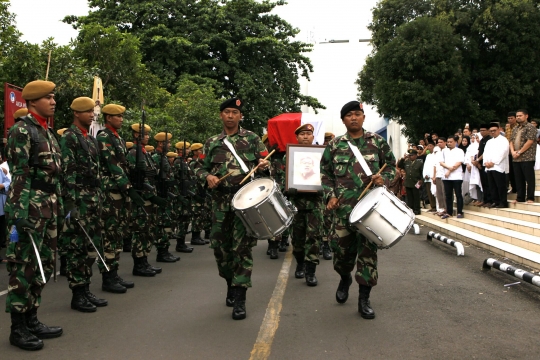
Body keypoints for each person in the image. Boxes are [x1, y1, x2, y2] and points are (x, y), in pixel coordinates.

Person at [194, 97, 270, 321]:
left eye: (234, 113)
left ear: (240, 116)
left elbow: (267, 163)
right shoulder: (212, 143)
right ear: (221, 115)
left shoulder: (253, 139)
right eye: (226, 112)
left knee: (242, 250)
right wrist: (207, 176)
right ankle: (229, 281)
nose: (230, 116)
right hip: (220, 204)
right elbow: (197, 166)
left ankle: (240, 297)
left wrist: (266, 165)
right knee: (221, 250)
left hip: (245, 205)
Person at [320, 101, 396, 319]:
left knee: (368, 255)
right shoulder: (334, 146)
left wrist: (385, 179)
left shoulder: (377, 143)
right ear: (343, 120)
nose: (354, 118)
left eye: (357, 114)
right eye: (349, 115)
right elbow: (325, 174)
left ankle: (364, 299)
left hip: (370, 212)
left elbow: (392, 167)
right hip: (343, 212)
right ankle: (344, 277)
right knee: (342, 254)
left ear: (363, 117)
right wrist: (331, 195)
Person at [4, 80, 63, 350]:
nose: (53, 101)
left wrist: (61, 207)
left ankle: (32, 318)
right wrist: (18, 213)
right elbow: (20, 176)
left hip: (48, 207)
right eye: (48, 97)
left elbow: (54, 174)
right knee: (23, 266)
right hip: (30, 209)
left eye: (53, 97)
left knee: (44, 266)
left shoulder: (47, 132)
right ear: (32, 102)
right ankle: (18, 328)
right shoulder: (22, 131)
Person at [59, 97, 108, 313]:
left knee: (90, 246)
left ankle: (86, 287)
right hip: (78, 200)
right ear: (76, 114)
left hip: (92, 199)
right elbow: (67, 173)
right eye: (87, 111)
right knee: (76, 247)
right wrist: (71, 204)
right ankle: (77, 293)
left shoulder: (89, 139)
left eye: (92, 112)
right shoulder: (70, 138)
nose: (91, 115)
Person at [97, 104, 141, 293]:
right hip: (111, 191)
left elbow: (124, 165)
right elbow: (113, 165)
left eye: (122, 116)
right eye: (118, 116)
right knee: (109, 234)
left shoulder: (118, 138)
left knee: (117, 233)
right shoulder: (104, 136)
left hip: (120, 191)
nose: (121, 119)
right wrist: (128, 188)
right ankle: (107, 277)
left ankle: (114, 273)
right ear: (108, 118)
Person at [127, 124, 168, 276]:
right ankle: (138, 264)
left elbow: (151, 174)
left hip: (149, 197)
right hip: (141, 198)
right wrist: (150, 196)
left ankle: (144, 260)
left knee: (148, 231)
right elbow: (136, 177)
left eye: (147, 134)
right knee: (140, 230)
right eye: (144, 134)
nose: (147, 136)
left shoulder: (145, 154)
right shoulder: (133, 153)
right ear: (136, 135)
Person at [286, 124, 323, 286]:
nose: (306, 136)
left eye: (309, 134)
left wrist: (324, 188)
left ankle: (310, 271)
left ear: (313, 137)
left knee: (313, 238)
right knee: (298, 239)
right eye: (302, 134)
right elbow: (281, 179)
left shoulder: (322, 155)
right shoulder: (288, 157)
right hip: (296, 205)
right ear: (297, 137)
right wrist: (287, 189)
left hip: (315, 204)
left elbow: (329, 176)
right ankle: (300, 262)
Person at [151, 132, 180, 263]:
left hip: (166, 193)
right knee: (161, 223)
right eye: (167, 143)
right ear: (161, 143)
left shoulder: (162, 157)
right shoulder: (156, 157)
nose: (169, 145)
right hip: (161, 193)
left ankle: (165, 250)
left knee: (167, 222)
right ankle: (161, 252)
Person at [509, 109, 537, 204]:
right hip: (516, 158)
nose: (518, 117)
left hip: (527, 157)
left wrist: (519, 152)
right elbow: (511, 141)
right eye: (517, 116)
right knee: (518, 178)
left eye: (520, 115)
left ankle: (530, 198)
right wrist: (513, 152)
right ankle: (520, 197)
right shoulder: (515, 128)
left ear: (526, 116)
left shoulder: (530, 127)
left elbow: (530, 141)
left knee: (529, 178)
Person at [483, 122, 510, 208]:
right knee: (492, 186)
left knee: (500, 185)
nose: (493, 132)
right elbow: (485, 153)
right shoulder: (489, 142)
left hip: (499, 166)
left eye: (494, 130)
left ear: (499, 129)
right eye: (491, 131)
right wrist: (486, 163)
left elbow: (503, 153)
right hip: (489, 167)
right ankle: (496, 201)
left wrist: (493, 162)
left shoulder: (503, 140)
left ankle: (503, 202)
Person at [190, 142, 212, 243]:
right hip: (195, 191)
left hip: (201, 190)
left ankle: (199, 235)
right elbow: (194, 178)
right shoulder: (193, 163)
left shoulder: (200, 162)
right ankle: (195, 237)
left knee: (203, 214)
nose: (201, 152)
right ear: (194, 152)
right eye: (199, 150)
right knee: (197, 215)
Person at [440, 135, 465, 219]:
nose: (449, 143)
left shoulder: (459, 151)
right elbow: (441, 162)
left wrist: (450, 170)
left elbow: (459, 163)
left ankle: (460, 212)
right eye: (448, 142)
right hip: (446, 177)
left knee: (458, 194)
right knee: (448, 195)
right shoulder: (444, 151)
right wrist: (448, 168)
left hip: (457, 176)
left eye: (451, 142)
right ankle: (449, 212)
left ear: (455, 142)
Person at [403, 149, 423, 215]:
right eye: (410, 155)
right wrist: (403, 158)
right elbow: (400, 165)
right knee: (409, 197)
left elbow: (422, 172)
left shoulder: (419, 163)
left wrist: (421, 180)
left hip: (416, 182)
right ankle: (411, 209)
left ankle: (417, 210)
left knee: (416, 197)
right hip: (408, 182)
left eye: (412, 155)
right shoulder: (407, 162)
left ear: (415, 155)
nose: (410, 156)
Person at [433, 137, 448, 216]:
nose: (439, 144)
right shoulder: (438, 152)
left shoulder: (447, 151)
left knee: (445, 192)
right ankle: (441, 208)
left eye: (441, 142)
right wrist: (434, 176)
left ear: (445, 142)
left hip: (445, 175)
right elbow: (435, 165)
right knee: (439, 193)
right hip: (438, 174)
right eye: (438, 142)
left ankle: (446, 208)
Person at [422, 143, 437, 212]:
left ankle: (437, 206)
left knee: (434, 192)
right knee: (429, 192)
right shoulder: (428, 156)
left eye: (430, 146)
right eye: (428, 146)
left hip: (433, 177)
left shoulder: (436, 155)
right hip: (427, 177)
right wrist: (425, 174)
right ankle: (432, 206)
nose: (429, 147)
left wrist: (433, 175)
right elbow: (425, 166)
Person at [506, 112, 518, 193]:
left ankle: (518, 188)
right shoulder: (507, 128)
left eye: (512, 118)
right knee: (510, 171)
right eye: (509, 118)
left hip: (516, 151)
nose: (510, 120)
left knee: (517, 171)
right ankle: (514, 188)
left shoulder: (518, 127)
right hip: (508, 152)